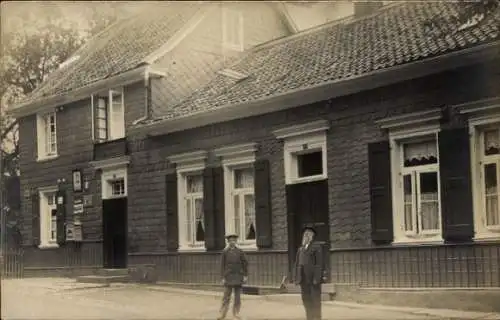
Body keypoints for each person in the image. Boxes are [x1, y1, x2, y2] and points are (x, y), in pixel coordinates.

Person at [293, 226, 326, 320]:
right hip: (303, 280)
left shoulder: (316, 247)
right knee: (306, 300)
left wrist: (317, 278)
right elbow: (297, 264)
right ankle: (309, 317)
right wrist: (296, 278)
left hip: (313, 279)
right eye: (305, 234)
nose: (306, 235)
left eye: (308, 234)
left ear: (312, 236)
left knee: (315, 300)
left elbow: (319, 264)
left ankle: (317, 318)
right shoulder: (301, 249)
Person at [217, 233, 248, 320]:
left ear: (236, 241)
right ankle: (222, 314)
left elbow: (245, 264)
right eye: (230, 241)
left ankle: (236, 313)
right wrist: (223, 277)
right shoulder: (225, 252)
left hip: (238, 276)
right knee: (226, 296)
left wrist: (245, 275)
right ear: (228, 242)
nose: (232, 242)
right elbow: (222, 265)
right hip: (228, 277)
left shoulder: (240, 252)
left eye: (234, 240)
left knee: (237, 297)